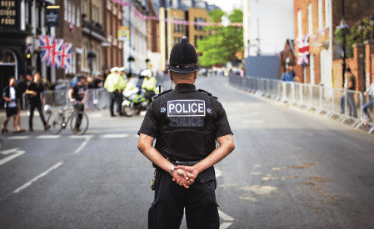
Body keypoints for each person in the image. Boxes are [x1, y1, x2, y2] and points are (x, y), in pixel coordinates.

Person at [137, 36, 235, 229]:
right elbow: (228, 144)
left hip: (168, 178)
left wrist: (174, 169)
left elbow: (143, 144)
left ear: (170, 73)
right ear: (195, 73)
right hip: (202, 178)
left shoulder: (158, 104)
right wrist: (197, 168)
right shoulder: (212, 104)